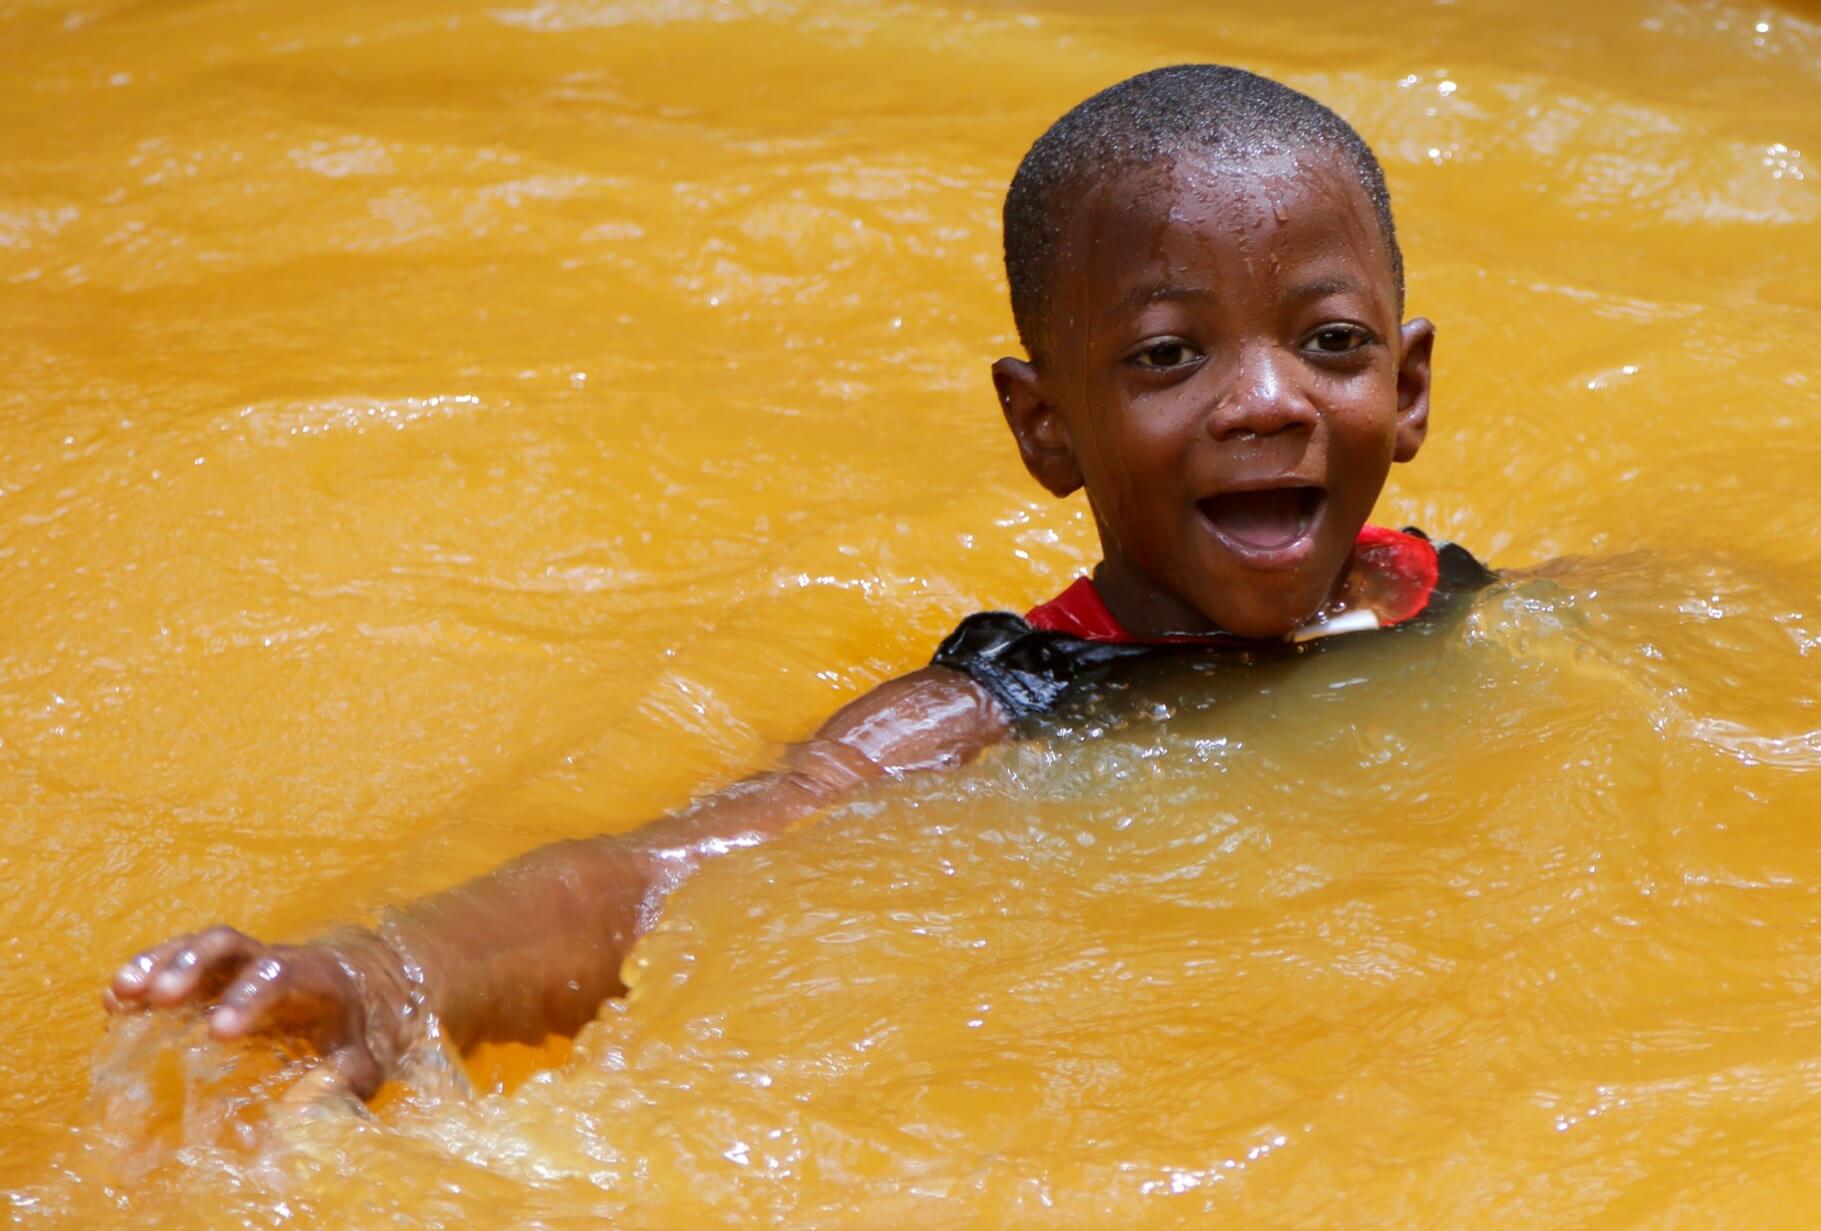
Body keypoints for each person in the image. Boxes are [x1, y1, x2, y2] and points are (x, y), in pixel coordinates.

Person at [104, 64, 1488, 1099]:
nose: (1265, 401)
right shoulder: (998, 712)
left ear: (1407, 386)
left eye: (1328, 340)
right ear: (1044, 425)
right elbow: (668, 867)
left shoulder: (1446, 600)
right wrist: (389, 974)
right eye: (1166, 357)